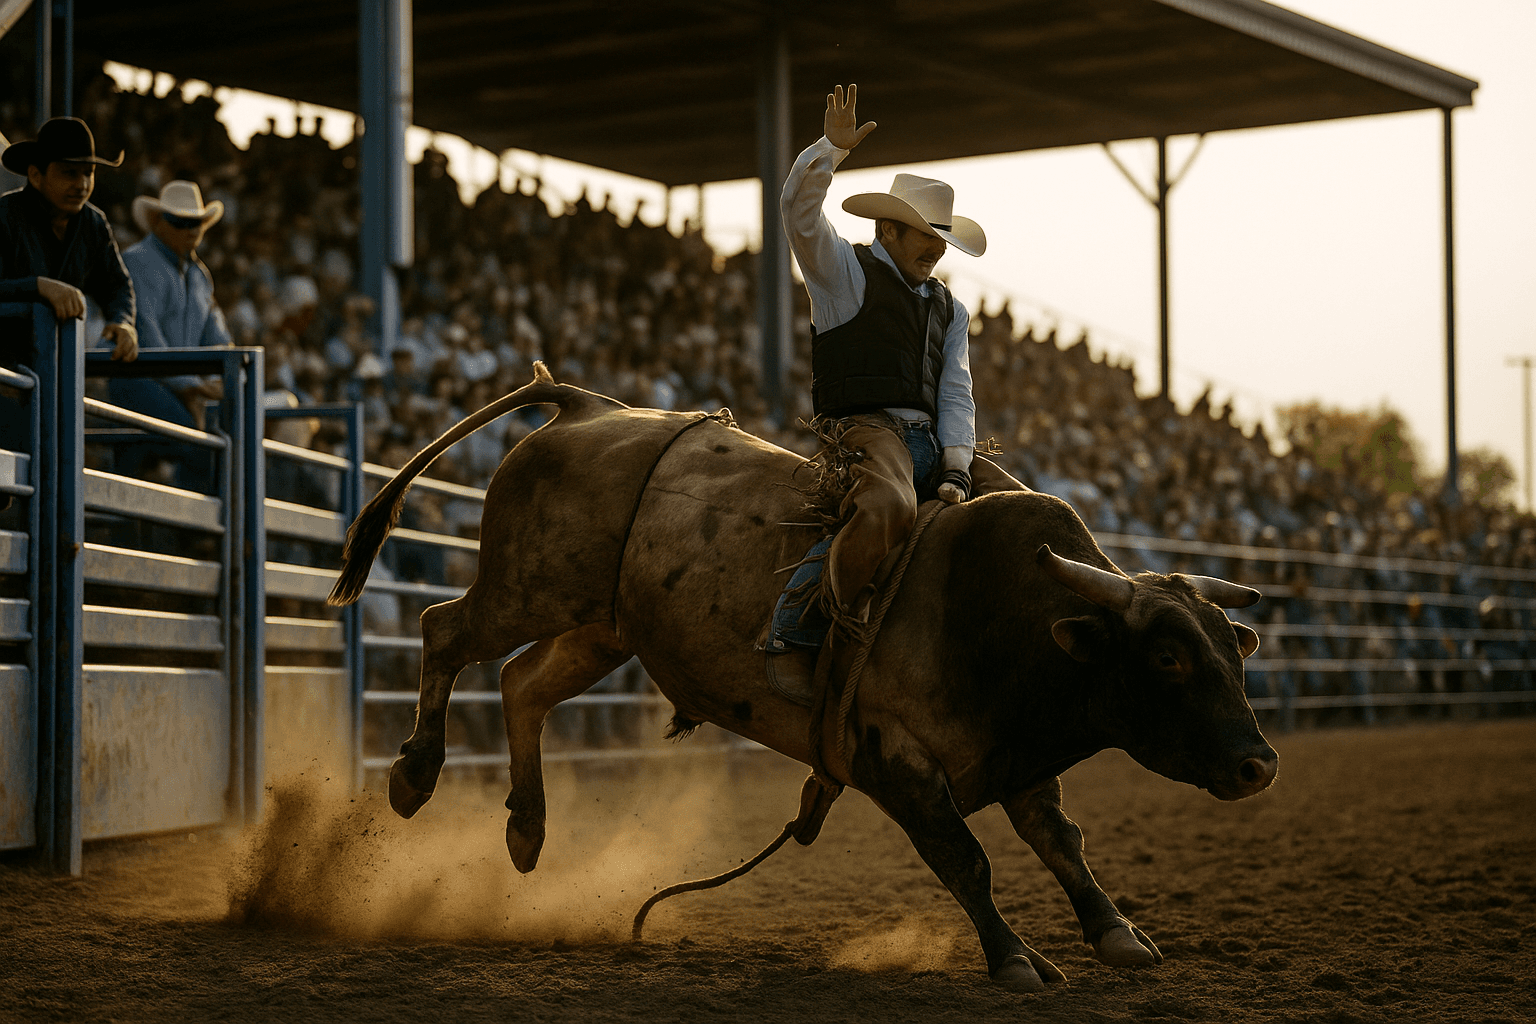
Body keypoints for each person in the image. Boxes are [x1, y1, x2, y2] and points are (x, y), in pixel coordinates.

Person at [772, 84, 1023, 654]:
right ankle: (803, 619)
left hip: (931, 441)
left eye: (941, 238)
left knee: (1027, 511)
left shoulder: (949, 308)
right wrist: (829, 152)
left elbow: (956, 394)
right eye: (926, 235)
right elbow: (798, 214)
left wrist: (958, 467)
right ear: (887, 230)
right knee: (889, 504)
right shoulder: (844, 274)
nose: (936, 248)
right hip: (862, 431)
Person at [111, 180, 231, 486]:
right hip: (137, 379)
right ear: (157, 222)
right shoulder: (137, 262)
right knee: (199, 444)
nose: (191, 230)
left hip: (179, 388)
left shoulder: (200, 275)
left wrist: (215, 382)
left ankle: (201, 527)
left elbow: (217, 339)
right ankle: (199, 531)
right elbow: (147, 336)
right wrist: (194, 388)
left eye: (196, 223)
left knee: (224, 441)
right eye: (180, 222)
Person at [0, 116, 137, 369]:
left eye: (89, 173)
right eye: (69, 173)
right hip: (6, 373)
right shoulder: (4, 216)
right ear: (35, 175)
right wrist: (39, 287)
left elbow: (116, 284)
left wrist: (122, 321)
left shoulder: (93, 224)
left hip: (57, 372)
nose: (82, 185)